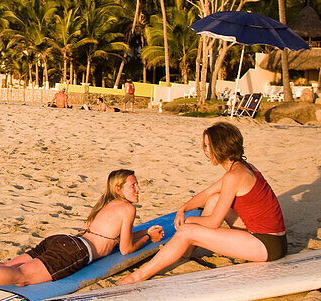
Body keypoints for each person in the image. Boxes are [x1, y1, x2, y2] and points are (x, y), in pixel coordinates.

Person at [0, 169, 165, 301]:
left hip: (62, 240)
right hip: (75, 252)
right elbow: (125, 248)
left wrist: (144, 231)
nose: (138, 190)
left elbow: (112, 237)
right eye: (133, 186)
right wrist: (147, 239)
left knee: (8, 265)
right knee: (20, 276)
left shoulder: (105, 205)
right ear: (118, 189)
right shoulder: (127, 209)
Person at [117, 121, 286, 285]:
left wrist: (189, 221)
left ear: (220, 147)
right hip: (274, 239)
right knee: (213, 200)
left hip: (266, 245)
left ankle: (136, 277)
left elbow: (213, 222)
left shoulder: (233, 176)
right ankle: (187, 251)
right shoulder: (243, 167)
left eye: (208, 146)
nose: (205, 151)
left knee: (187, 231)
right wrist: (183, 208)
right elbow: (208, 193)